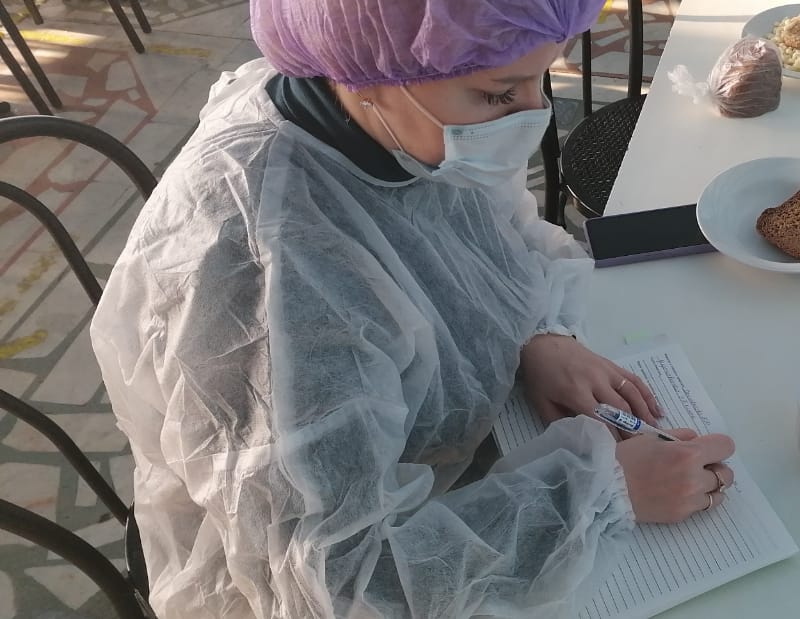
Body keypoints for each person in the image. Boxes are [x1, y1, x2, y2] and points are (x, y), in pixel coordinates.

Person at [89, 1, 736, 617]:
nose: (535, 114)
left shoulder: (395, 118)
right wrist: (599, 496)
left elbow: (489, 232)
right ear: (372, 74)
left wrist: (537, 333)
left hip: (441, 460)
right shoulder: (269, 272)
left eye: (543, 76)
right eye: (499, 95)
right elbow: (331, 585)